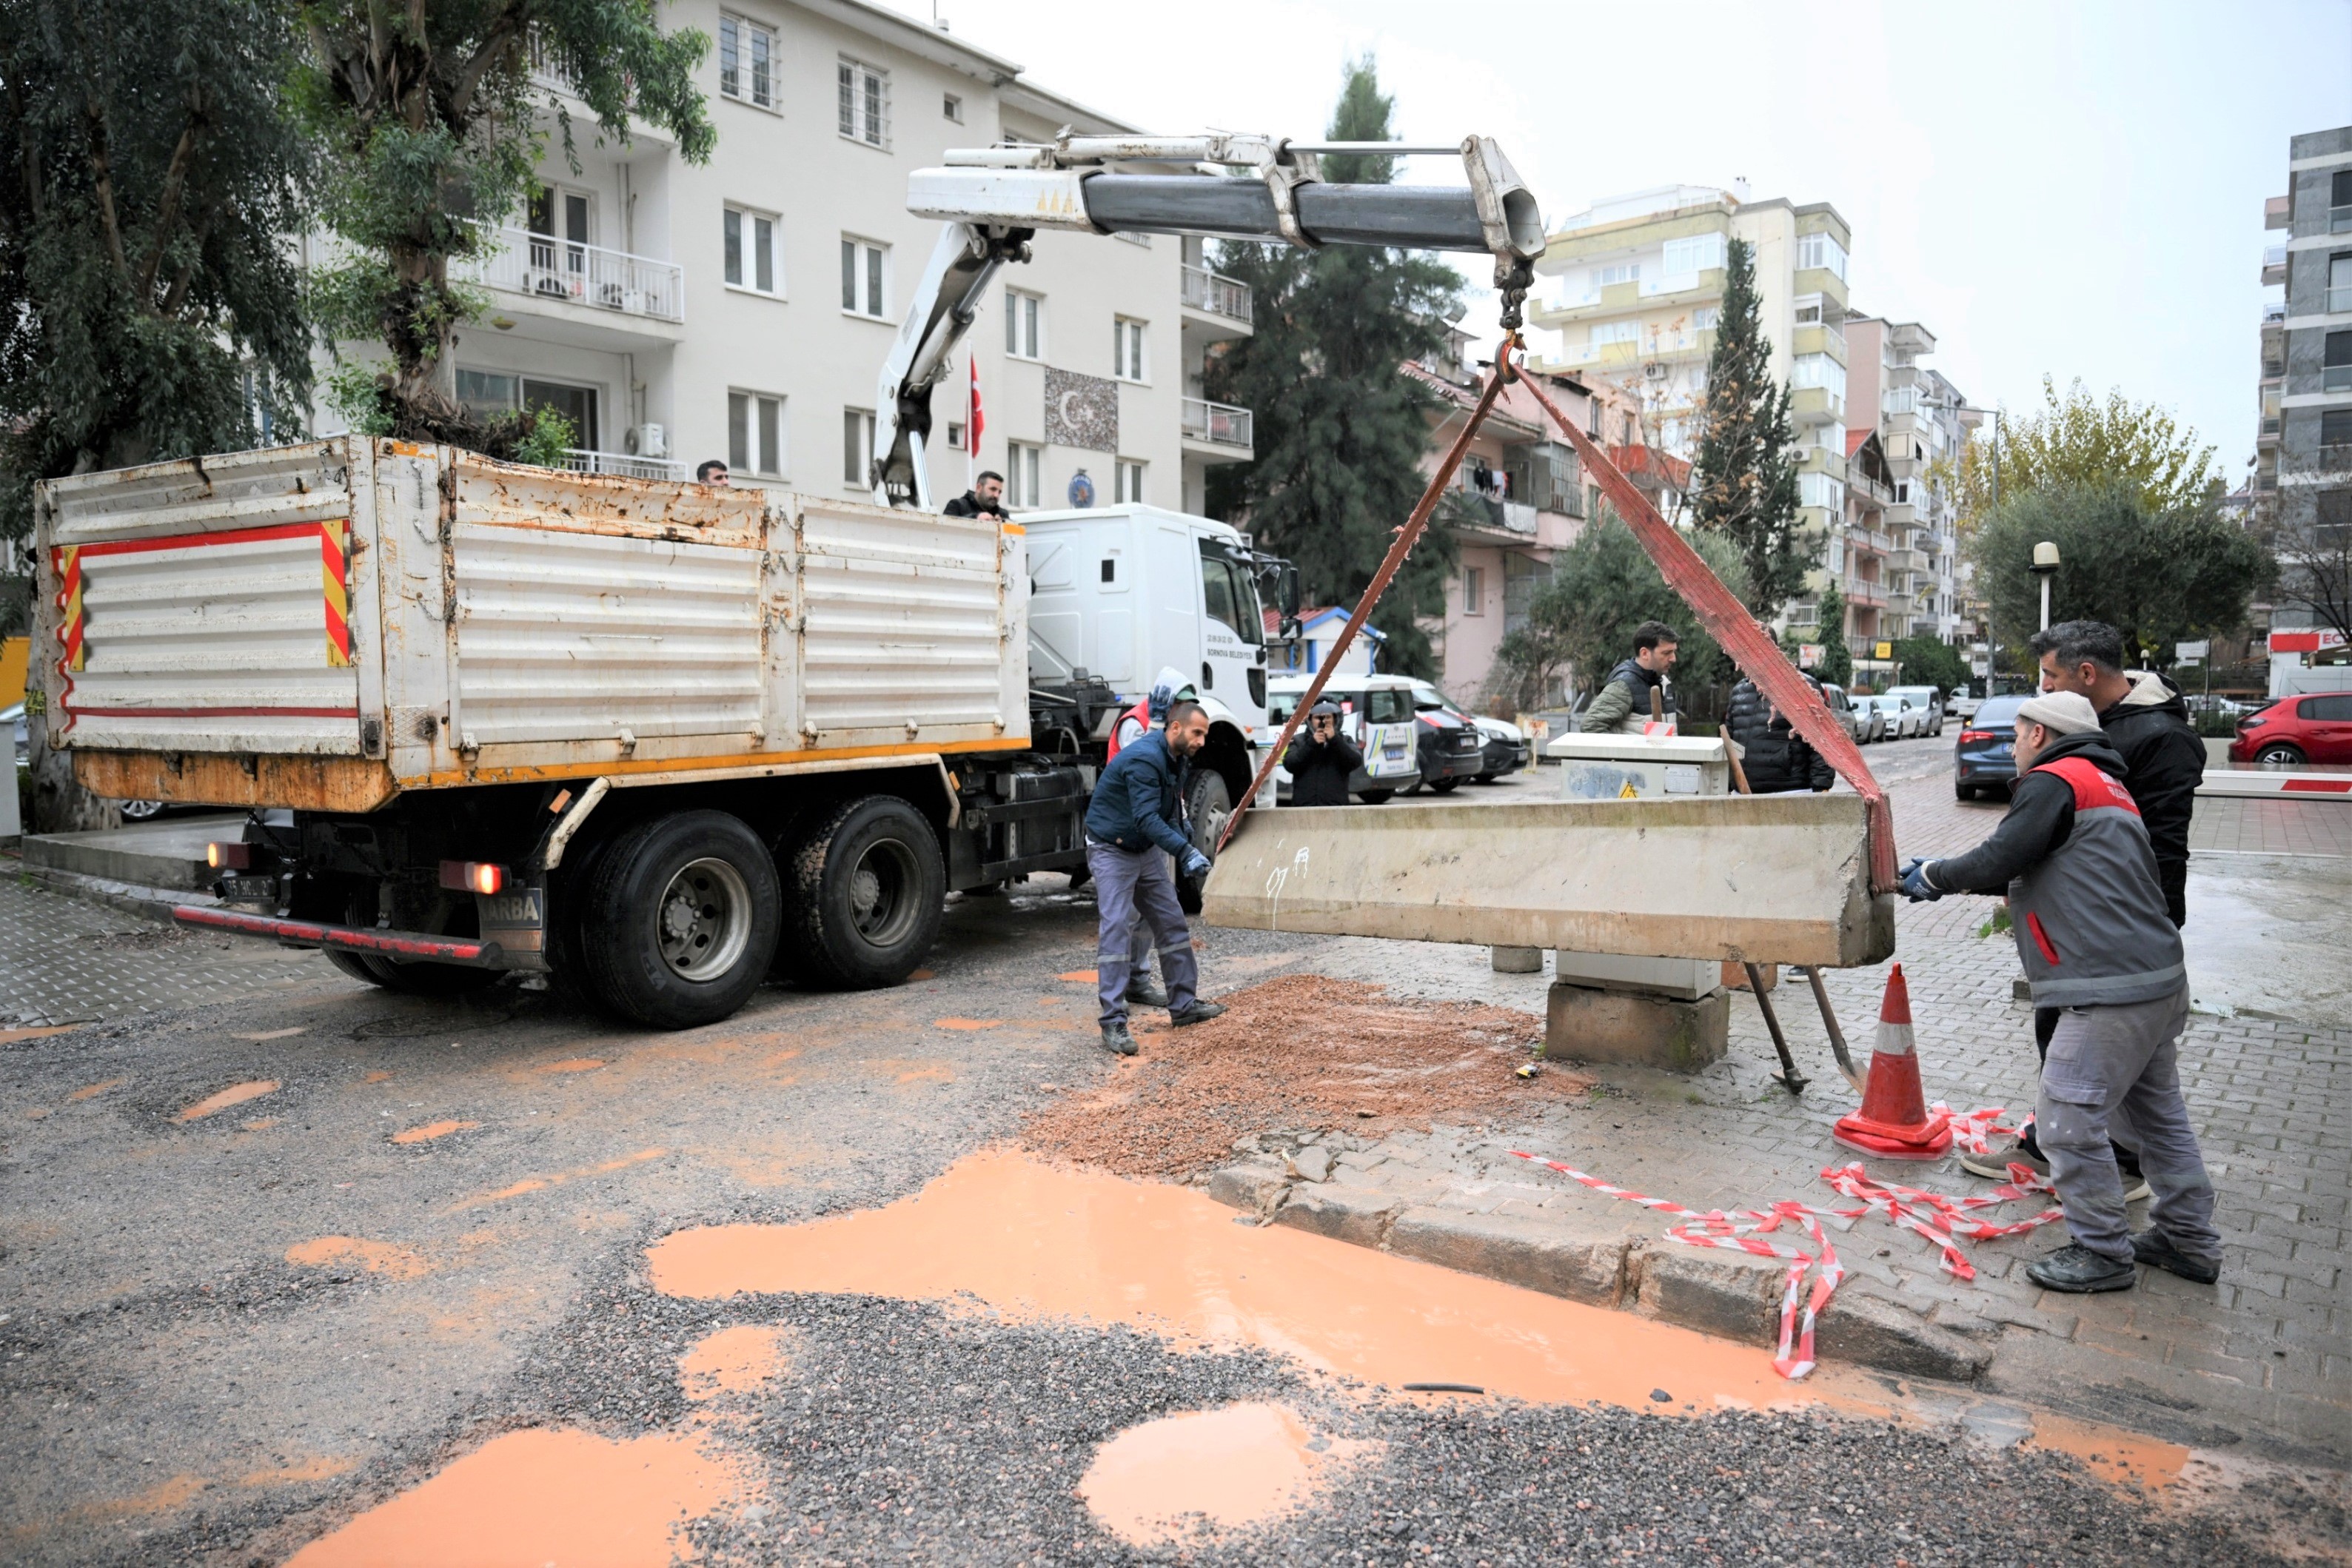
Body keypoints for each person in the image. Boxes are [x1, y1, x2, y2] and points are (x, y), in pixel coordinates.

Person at [1900, 691, 2221, 1294]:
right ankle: (2187, 1240)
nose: (2013, 746)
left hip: (2108, 988)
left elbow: (2003, 854)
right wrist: (1949, 875)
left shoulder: (2054, 779)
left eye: (2015, 735)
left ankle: (2103, 1252)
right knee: (2156, 1118)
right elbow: (2043, 864)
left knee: (2066, 1122)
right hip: (2153, 979)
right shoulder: (2105, 784)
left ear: (2040, 735)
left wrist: (1936, 876)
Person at [1962, 620, 2202, 1186]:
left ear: (2085, 674)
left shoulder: (2152, 738)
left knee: (2079, 1082)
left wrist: (2141, 939)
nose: (2043, 689)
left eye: (2050, 677)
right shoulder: (2103, 732)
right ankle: (2175, 1225)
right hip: (2089, 932)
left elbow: (2162, 849)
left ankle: (2097, 1206)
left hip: (2113, 941)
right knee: (2142, 1098)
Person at [1083, 699, 1226, 1054]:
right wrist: (1184, 850)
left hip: (1143, 849)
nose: (1202, 741)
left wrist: (1183, 829)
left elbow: (1170, 804)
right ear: (1175, 728)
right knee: (1116, 928)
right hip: (1111, 849)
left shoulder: (1177, 758)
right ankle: (1113, 1022)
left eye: (1204, 734)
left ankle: (1184, 1006)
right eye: (1197, 732)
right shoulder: (1146, 758)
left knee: (1172, 922)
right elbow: (1146, 818)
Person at [1724, 674, 1834, 793]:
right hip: (1743, 792)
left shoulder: (1803, 685)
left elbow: (1823, 740)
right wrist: (1726, 784)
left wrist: (1821, 786)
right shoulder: (1740, 690)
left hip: (1792, 792)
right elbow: (1729, 741)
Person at [1578, 620, 1679, 732]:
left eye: (1674, 652)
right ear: (1645, 653)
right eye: (1666, 653)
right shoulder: (1624, 685)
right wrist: (1625, 750)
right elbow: (1591, 725)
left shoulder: (1665, 683)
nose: (1673, 659)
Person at [1282, 699, 1361, 806]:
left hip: (1335, 807)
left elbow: (1355, 762)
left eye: (1328, 717)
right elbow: (1290, 765)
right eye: (1317, 717)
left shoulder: (1344, 740)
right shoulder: (1298, 740)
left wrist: (1335, 740)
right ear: (1310, 720)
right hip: (1305, 807)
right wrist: (1312, 744)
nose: (1323, 721)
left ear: (1335, 719)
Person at [944, 470, 1009, 520]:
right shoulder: (956, 505)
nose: (996, 495)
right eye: (993, 489)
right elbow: (944, 530)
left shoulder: (1003, 514)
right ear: (979, 488)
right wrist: (976, 518)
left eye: (999, 492)